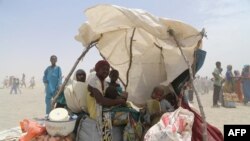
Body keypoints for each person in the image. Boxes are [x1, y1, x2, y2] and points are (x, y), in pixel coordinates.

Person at [77, 60, 127, 141]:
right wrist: (119, 101)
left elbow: (112, 95)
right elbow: (100, 100)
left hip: (102, 111)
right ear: (97, 69)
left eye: (107, 69)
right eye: (104, 69)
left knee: (126, 115)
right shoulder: (94, 81)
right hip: (96, 113)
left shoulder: (104, 82)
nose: (106, 71)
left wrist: (122, 97)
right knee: (118, 119)